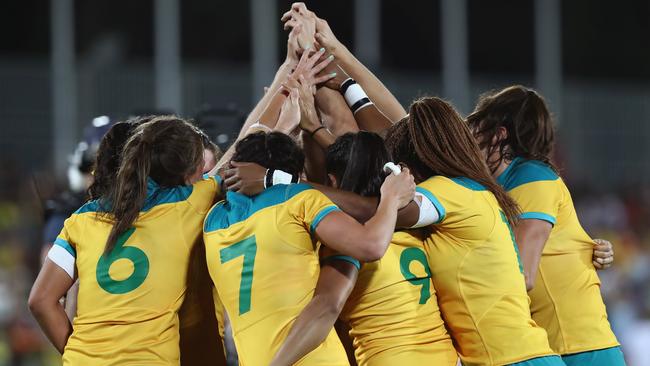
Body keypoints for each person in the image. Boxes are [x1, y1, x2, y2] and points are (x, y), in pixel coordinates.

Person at [204, 131, 415, 365]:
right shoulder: (298, 198)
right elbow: (371, 246)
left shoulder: (211, 221)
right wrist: (392, 198)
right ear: (295, 174)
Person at [28, 116, 222, 364]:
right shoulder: (188, 206)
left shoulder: (83, 217)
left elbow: (40, 301)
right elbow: (237, 156)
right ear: (187, 173)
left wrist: (80, 355)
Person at [385, 97, 564, 366]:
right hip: (526, 356)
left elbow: (392, 208)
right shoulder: (474, 190)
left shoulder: (449, 192)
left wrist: (310, 193)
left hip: (511, 360)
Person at [466, 85, 625, 366]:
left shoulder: (531, 177)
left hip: (578, 349)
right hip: (555, 347)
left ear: (499, 134)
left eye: (475, 129)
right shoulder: (500, 186)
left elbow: (522, 273)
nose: (467, 139)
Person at [273, 132, 458, 366]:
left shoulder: (351, 238)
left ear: (332, 182)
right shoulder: (411, 228)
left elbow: (326, 306)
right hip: (447, 358)